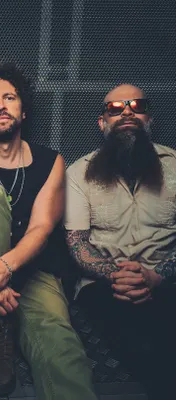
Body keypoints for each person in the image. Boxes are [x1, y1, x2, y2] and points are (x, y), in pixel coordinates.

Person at [0, 62, 96, 398]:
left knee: (62, 346)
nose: (1, 105)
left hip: (33, 274)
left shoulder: (51, 163)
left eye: (9, 97)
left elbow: (41, 228)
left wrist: (5, 267)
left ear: (23, 111)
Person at [66, 84, 176, 399]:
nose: (127, 111)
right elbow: (77, 243)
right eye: (115, 108)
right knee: (141, 345)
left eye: (136, 106)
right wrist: (119, 275)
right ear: (102, 123)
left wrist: (157, 276)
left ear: (149, 119)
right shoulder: (79, 173)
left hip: (167, 278)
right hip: (105, 285)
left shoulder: (174, 166)